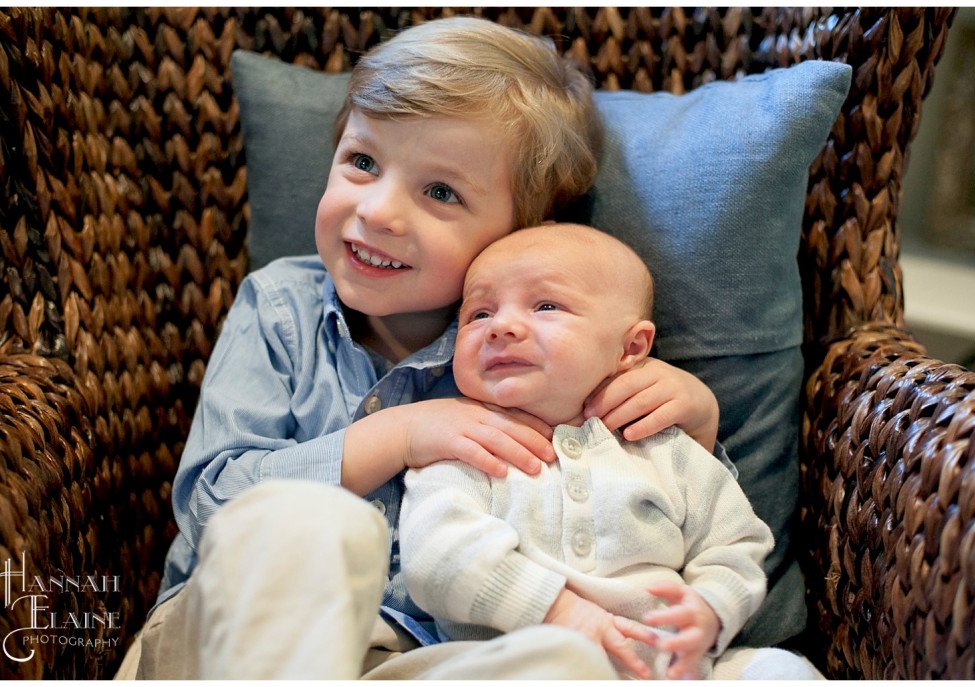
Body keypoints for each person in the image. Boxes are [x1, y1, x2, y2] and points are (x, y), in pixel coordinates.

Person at [124, 17, 723, 680]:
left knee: (558, 660)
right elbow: (211, 502)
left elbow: (640, 501)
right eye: (362, 161)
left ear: (521, 232)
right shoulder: (281, 308)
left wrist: (696, 422)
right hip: (229, 636)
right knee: (312, 526)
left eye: (440, 191)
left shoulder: (532, 351)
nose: (377, 211)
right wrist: (401, 434)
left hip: (414, 653)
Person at [400, 223, 823, 680]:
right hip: (514, 663)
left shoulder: (666, 448)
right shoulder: (467, 447)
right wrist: (556, 609)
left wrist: (710, 608)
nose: (500, 326)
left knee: (780, 670)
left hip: (668, 667)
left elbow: (736, 542)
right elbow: (436, 557)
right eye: (478, 314)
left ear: (632, 347)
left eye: (546, 306)